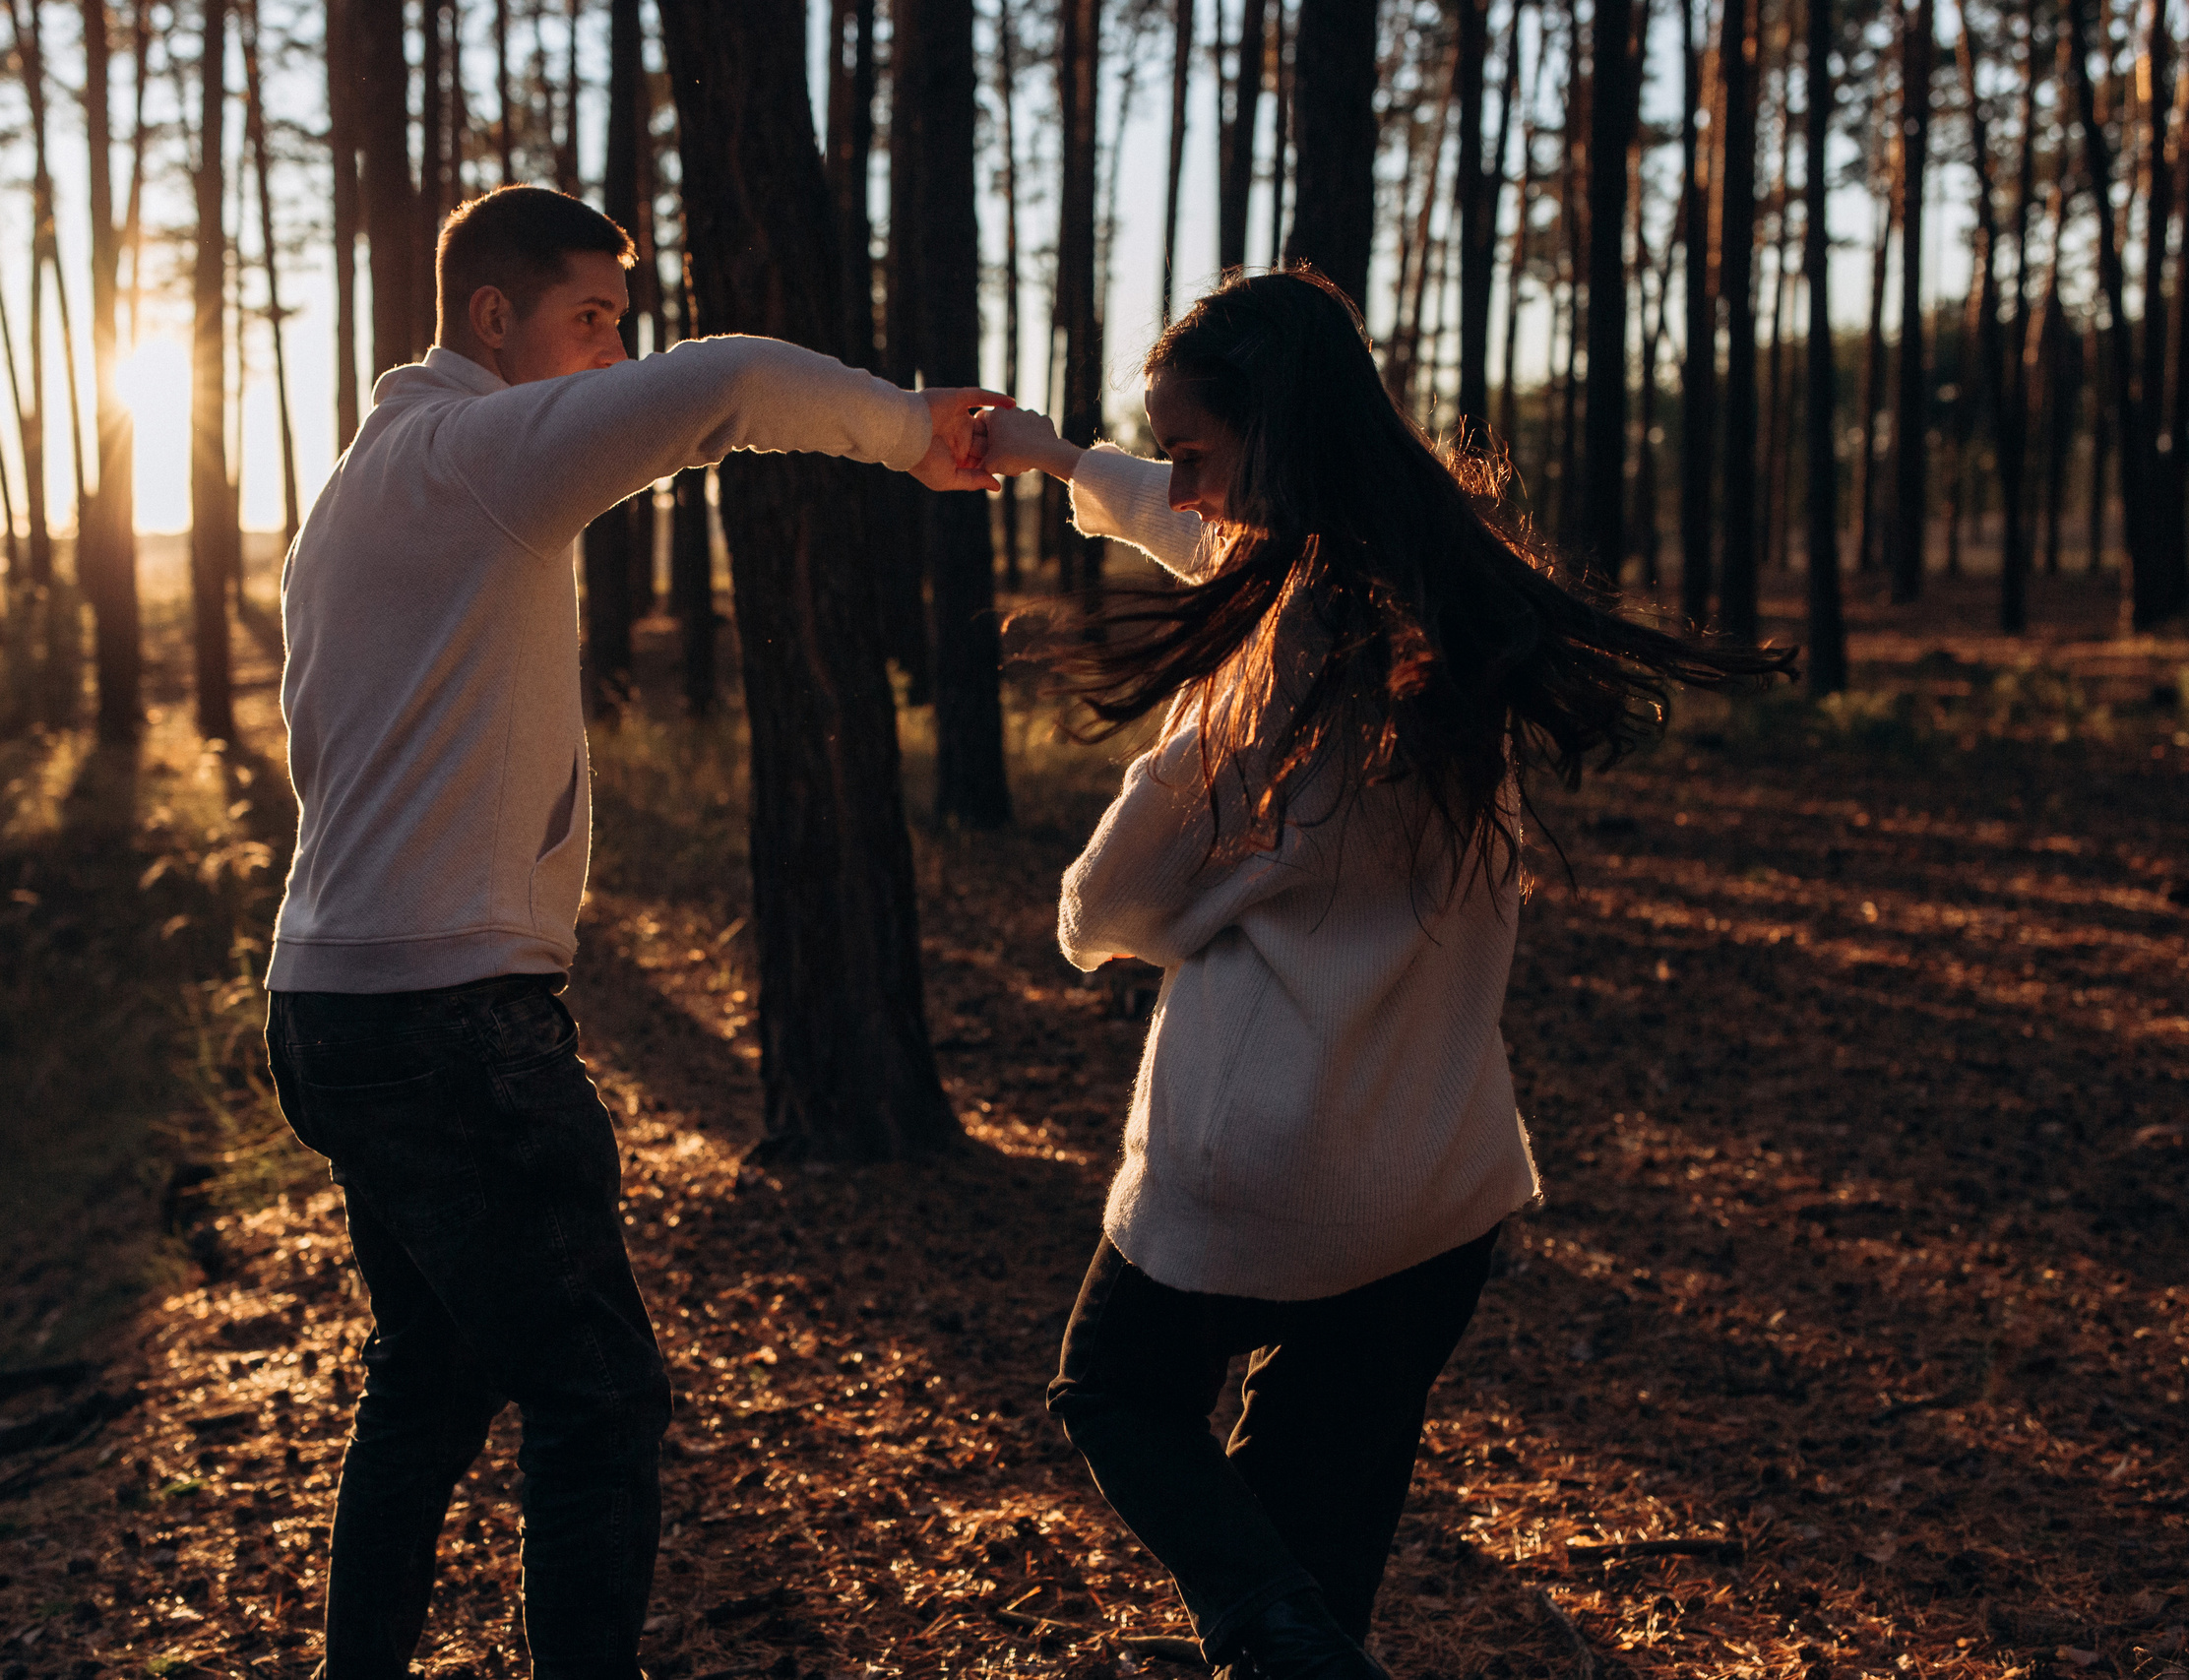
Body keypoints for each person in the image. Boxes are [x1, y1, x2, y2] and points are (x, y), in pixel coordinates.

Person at [978, 268, 1790, 1680]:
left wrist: (1133, 932)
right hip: (1437, 1186)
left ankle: (1256, 1612)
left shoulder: (1275, 667)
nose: (1185, 485)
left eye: (1197, 450)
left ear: (1280, 439)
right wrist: (1058, 460)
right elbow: (1207, 529)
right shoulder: (1441, 585)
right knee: (1322, 1554)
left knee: (1112, 1390)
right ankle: (1287, 1625)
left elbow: (1117, 890)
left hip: (1266, 1158)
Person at [262, 184, 1006, 1680]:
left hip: (332, 1004)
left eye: (620, 320)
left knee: (430, 1374)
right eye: (588, 319)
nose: (613, 353)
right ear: (493, 318)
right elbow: (728, 387)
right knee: (597, 1397)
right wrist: (909, 428)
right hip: (448, 1020)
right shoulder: (473, 456)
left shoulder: (359, 491)